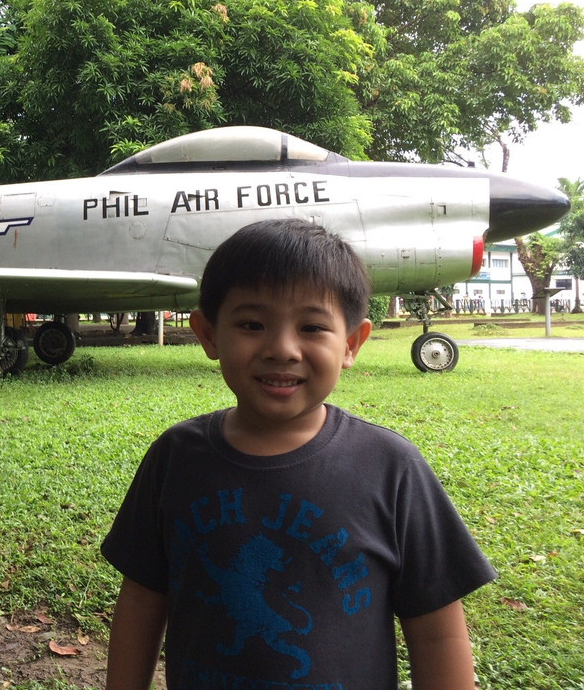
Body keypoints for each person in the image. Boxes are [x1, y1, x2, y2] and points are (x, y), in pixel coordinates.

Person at [102, 218, 496, 690]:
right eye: (252, 324)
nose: (282, 349)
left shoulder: (391, 468)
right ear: (208, 334)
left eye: (311, 326)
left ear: (350, 344)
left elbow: (436, 635)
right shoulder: (174, 458)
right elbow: (143, 602)